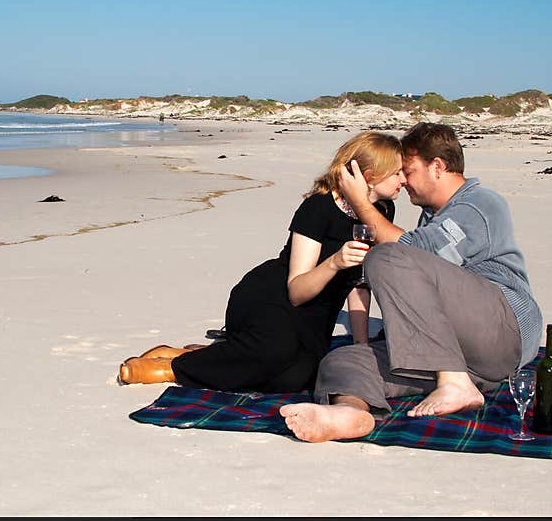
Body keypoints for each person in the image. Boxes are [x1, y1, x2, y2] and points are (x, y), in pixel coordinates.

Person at [281, 122, 543, 442]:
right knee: (343, 360)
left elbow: (408, 252)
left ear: (437, 167)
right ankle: (349, 412)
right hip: (468, 359)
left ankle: (454, 383)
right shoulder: (432, 217)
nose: (403, 181)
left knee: (386, 257)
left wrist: (360, 202)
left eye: (409, 170)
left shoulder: (479, 203)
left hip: (504, 330)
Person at [118, 131, 407, 392]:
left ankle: (194, 354)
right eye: (397, 173)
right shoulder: (317, 208)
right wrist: (334, 262)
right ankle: (174, 369)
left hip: (317, 315)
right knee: (274, 353)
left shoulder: (381, 211)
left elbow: (359, 284)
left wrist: (361, 347)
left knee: (298, 378)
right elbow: (296, 290)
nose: (404, 181)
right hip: (273, 296)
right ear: (368, 175)